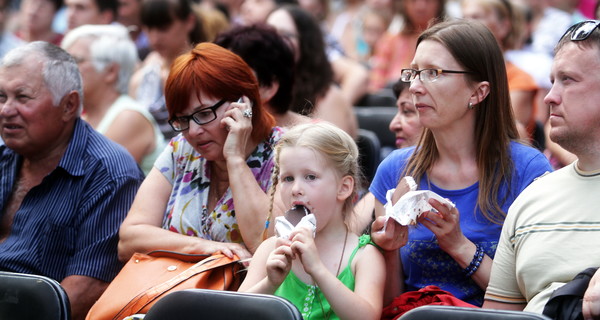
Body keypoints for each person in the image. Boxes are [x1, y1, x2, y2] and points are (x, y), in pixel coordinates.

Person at [368, 19, 552, 309]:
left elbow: (533, 297)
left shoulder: (528, 170)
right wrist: (389, 250)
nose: (415, 87)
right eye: (414, 72)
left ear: (478, 92)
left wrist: (459, 246)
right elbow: (388, 304)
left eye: (432, 73)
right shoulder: (395, 170)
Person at [0, 41, 144, 320]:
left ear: (69, 105)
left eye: (22, 97)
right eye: (1, 97)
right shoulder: (5, 157)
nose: (6, 110)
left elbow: (86, 290)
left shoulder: (110, 174)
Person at [118, 42, 284, 263]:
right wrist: (204, 248)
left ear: (243, 103)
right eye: (183, 119)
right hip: (176, 291)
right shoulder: (181, 149)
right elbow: (129, 240)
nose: (194, 131)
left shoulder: (285, 152)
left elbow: (267, 243)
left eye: (204, 114)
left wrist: (234, 159)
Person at [483, 20, 600, 315]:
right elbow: (497, 315)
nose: (549, 96)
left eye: (568, 80)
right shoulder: (531, 198)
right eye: (552, 80)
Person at [239, 121, 386, 320]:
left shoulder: (364, 256)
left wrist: (317, 270)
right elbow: (236, 311)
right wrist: (270, 283)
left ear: (343, 188)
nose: (296, 188)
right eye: (288, 178)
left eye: (310, 177)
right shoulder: (270, 249)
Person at [61, 24, 166, 175]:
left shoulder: (128, 117)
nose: (65, 68)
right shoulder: (85, 116)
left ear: (111, 71)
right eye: (63, 61)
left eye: (76, 60)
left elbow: (84, 179)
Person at [266, 5, 358, 138]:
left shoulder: (328, 97)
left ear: (305, 43)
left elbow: (331, 155)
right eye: (269, 34)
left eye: (285, 35)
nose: (273, 41)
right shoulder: (266, 89)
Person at [461, 0, 540, 144]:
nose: (466, 25)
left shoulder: (520, 80)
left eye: (476, 17)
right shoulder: (459, 73)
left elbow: (505, 136)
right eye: (464, 18)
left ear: (503, 26)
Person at [129, 0, 207, 141]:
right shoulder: (144, 76)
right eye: (148, 28)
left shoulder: (207, 70)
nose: (155, 38)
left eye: (164, 28)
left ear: (189, 21)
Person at [214, 23, 310, 129]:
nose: (221, 84)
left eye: (234, 75)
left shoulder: (311, 139)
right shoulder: (220, 131)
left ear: (268, 87)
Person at [368, 0, 446, 92]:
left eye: (428, 1)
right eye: (413, 1)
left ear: (439, 3)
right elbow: (376, 83)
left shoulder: (447, 41)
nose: (420, 6)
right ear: (404, 4)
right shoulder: (390, 40)